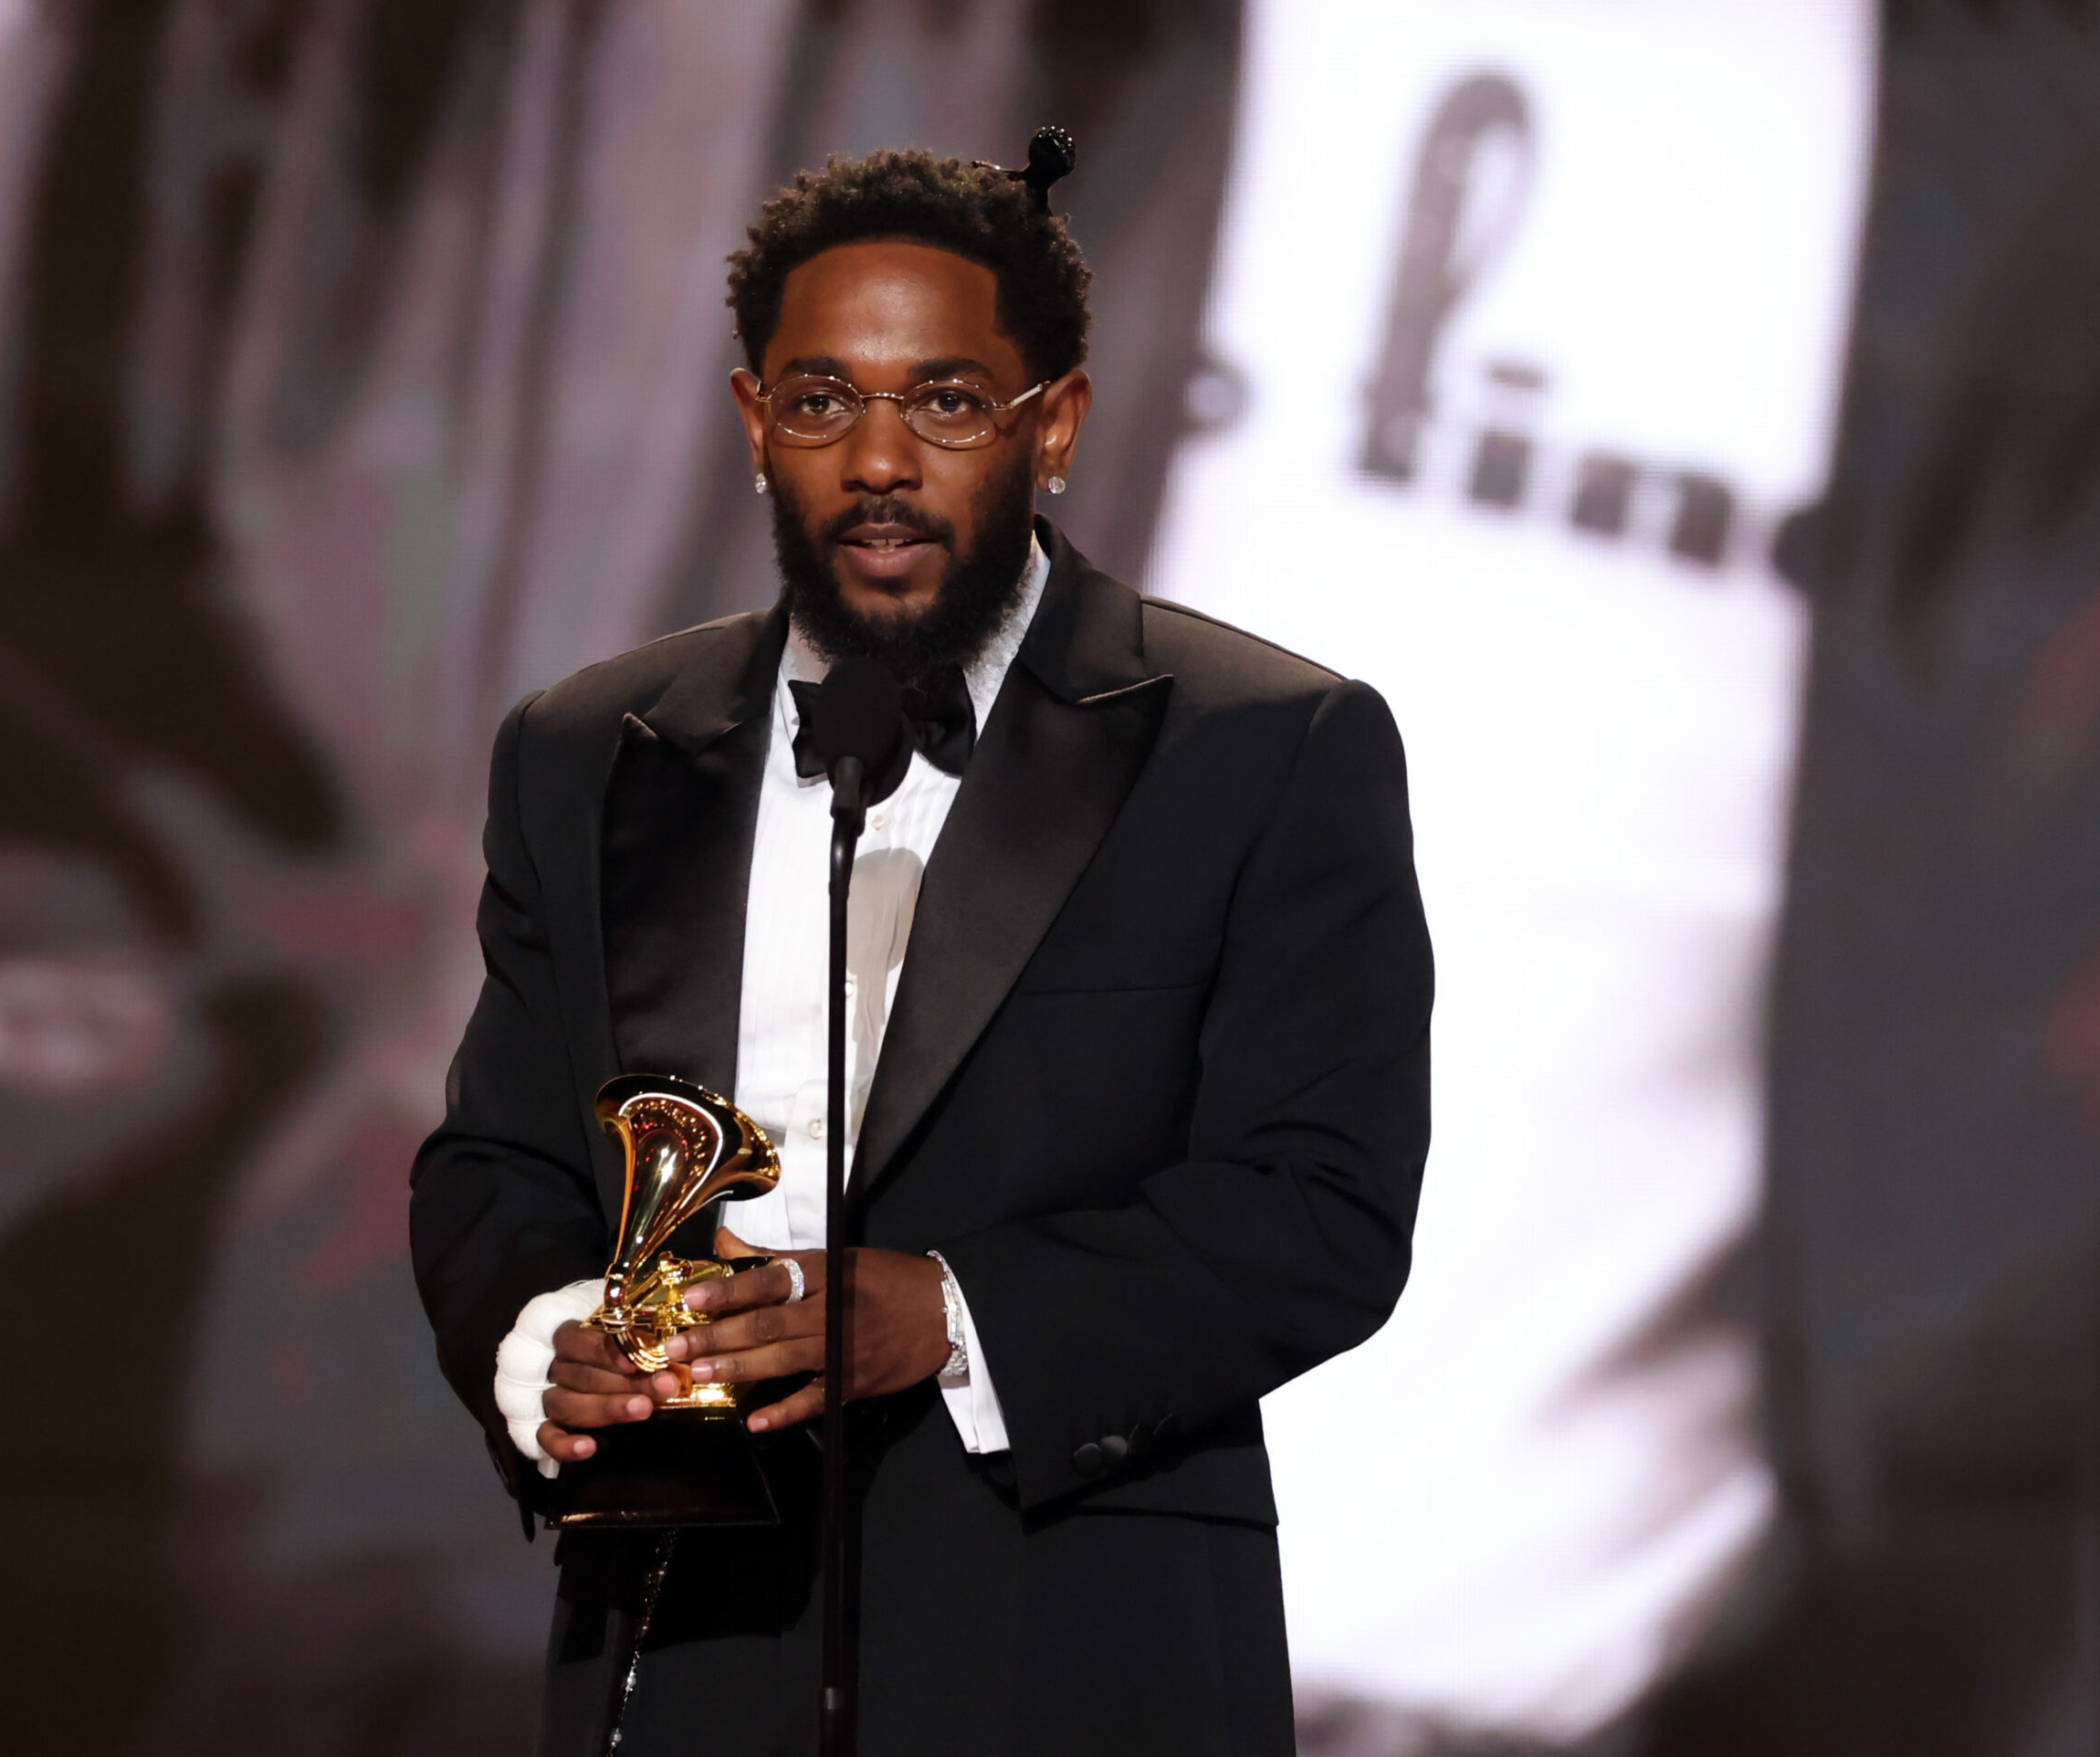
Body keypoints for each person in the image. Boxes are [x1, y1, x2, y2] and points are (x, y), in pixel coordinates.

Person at [409, 138, 1433, 1756]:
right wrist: (547, 1350)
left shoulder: (1264, 746)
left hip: (1076, 1654)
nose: (880, 458)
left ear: (1058, 425)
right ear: (755, 427)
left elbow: (1322, 1207)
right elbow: (494, 1164)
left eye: (947, 402)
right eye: (823, 402)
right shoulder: (590, 748)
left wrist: (943, 1312)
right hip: (682, 1656)